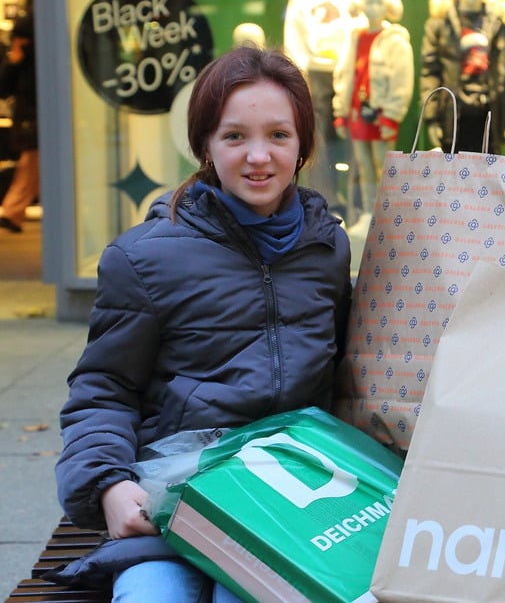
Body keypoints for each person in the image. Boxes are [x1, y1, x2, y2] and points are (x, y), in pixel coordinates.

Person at [53, 46, 352, 600]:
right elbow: (103, 390)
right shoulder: (144, 258)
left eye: (279, 136)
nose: (257, 156)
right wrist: (109, 484)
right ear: (205, 145)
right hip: (175, 505)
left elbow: (345, 375)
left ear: (303, 145)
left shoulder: (326, 248)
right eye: (234, 136)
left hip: (285, 506)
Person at [283, 0, 364, 217]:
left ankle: (358, 206)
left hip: (352, 69)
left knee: (357, 139)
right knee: (317, 138)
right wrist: (297, 74)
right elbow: (294, 32)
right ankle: (322, 203)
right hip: (316, 71)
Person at [333, 0, 413, 218]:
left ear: (388, 6)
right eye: (369, 2)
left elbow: (401, 81)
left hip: (380, 116)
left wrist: (391, 115)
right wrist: (341, 111)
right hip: (358, 113)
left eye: (378, 2)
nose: (373, 8)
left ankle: (387, 216)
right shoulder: (355, 36)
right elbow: (345, 73)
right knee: (364, 168)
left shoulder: (396, 40)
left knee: (384, 167)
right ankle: (369, 214)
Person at [420, 0, 505, 153]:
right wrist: (432, 118)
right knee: (452, 176)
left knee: (488, 176)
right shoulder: (439, 23)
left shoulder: (502, 23)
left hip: (489, 112)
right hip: (453, 113)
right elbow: (430, 72)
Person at [0, 14, 38, 234]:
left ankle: (13, 212)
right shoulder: (22, 61)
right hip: (29, 123)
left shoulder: (33, 61)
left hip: (32, 123)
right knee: (30, 166)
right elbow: (5, 87)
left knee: (30, 167)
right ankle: (13, 212)